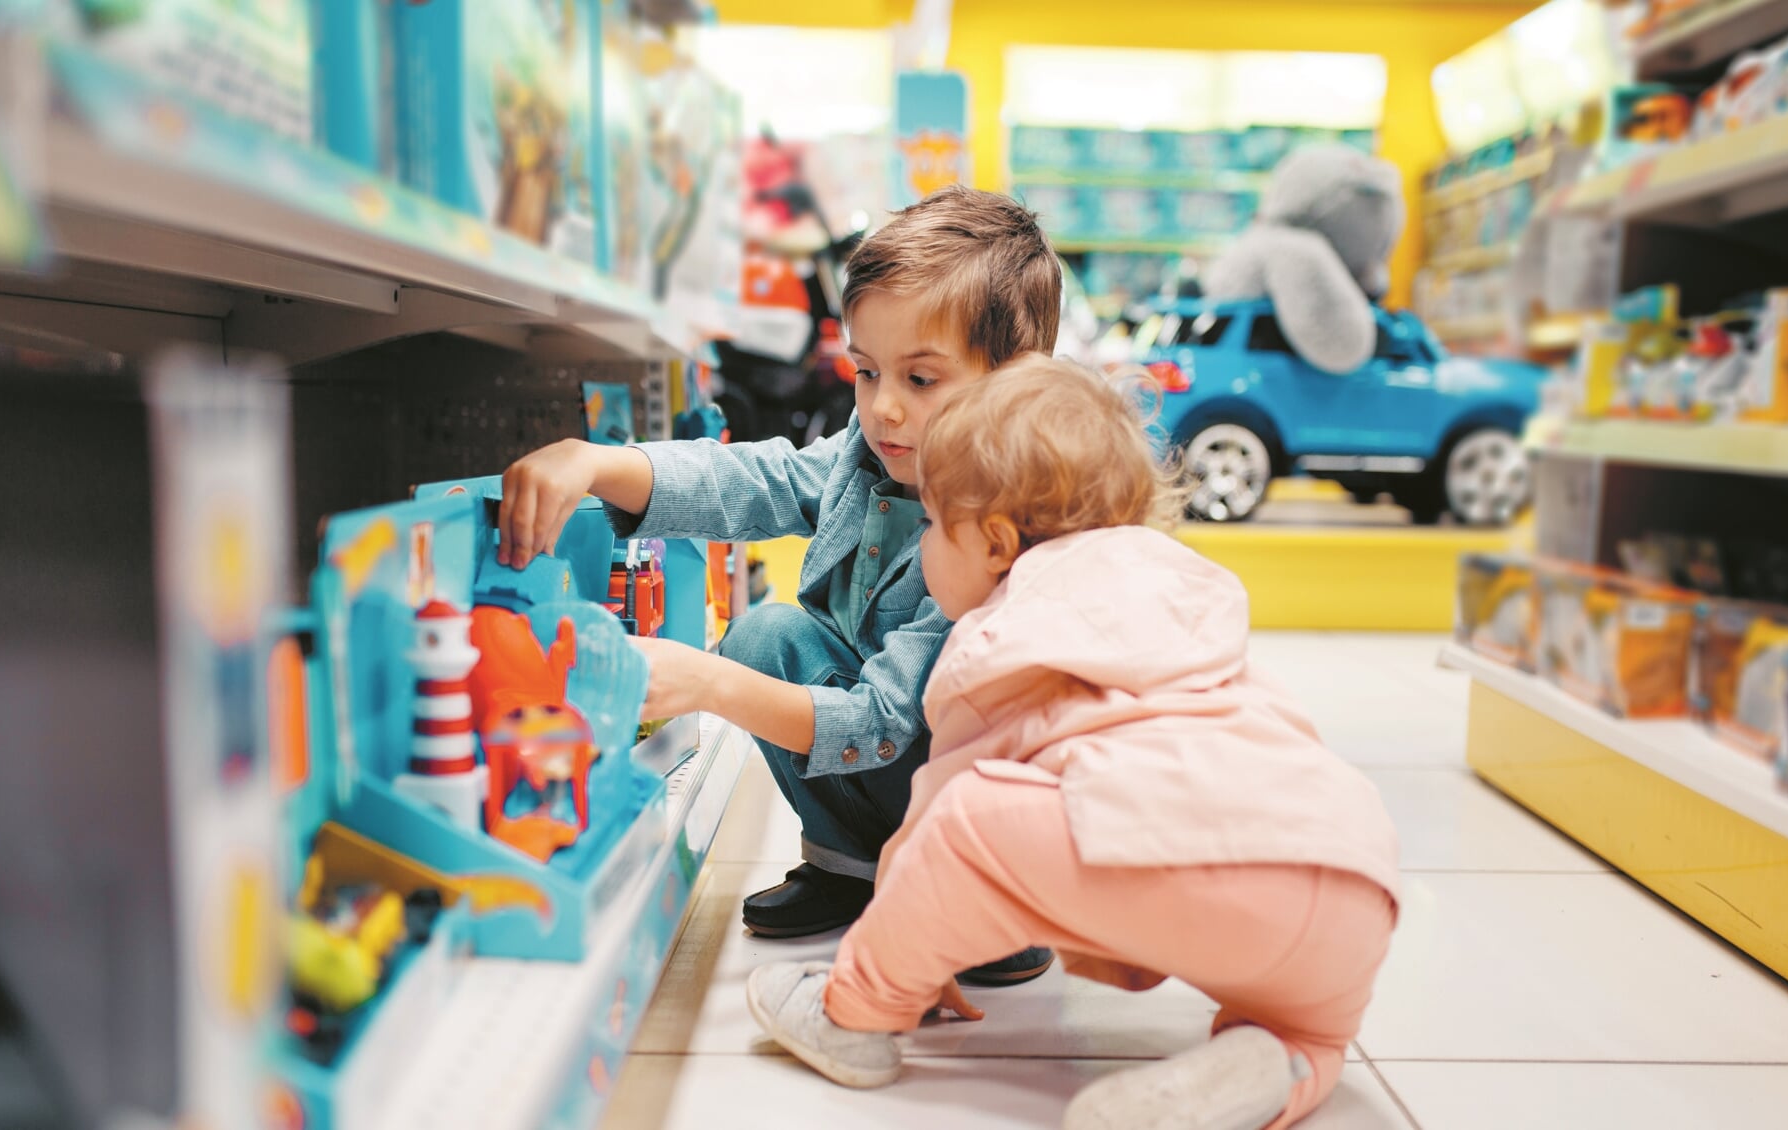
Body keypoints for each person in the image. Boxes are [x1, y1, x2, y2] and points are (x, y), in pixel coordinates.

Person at [745, 356, 1403, 1130]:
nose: (923, 547)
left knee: (970, 819)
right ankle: (1287, 1057)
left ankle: (853, 1018)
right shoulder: (1175, 581)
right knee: (1311, 1025)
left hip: (1194, 870)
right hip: (1354, 882)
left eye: (930, 525)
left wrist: (907, 952)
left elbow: (942, 822)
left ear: (994, 543)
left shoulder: (999, 627)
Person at [497, 186, 1063, 984]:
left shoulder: (999, 536)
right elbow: (755, 478)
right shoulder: (869, 461)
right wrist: (597, 462)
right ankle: (849, 866)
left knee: (756, 664)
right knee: (768, 635)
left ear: (1015, 381)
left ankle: (987, 906)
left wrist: (710, 685)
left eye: (922, 380)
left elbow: (886, 721)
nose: (884, 409)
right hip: (900, 755)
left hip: (976, 784)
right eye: (866, 373)